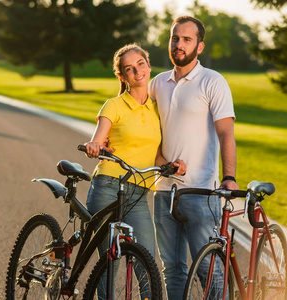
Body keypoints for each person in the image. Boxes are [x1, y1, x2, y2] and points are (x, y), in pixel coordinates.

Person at [149, 16, 239, 299]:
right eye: (175, 38)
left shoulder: (212, 81)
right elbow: (150, 135)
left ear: (199, 46)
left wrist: (229, 177)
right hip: (164, 191)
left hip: (200, 191)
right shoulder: (157, 84)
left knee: (208, 269)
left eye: (187, 39)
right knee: (172, 269)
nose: (179, 44)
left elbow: (226, 133)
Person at [84, 43, 186, 262]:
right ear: (123, 77)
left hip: (139, 191)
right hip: (109, 186)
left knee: (146, 259)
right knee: (108, 263)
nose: (137, 71)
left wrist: (171, 164)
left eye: (140, 64)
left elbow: (155, 155)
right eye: (130, 68)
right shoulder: (114, 105)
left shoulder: (157, 109)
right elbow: (98, 139)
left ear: (149, 66)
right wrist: (95, 147)